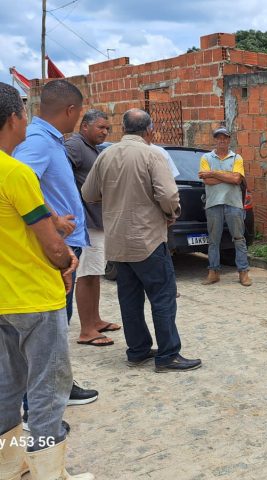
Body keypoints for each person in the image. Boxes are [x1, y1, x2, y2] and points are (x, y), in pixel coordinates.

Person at [0, 82, 93, 480]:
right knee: (48, 392)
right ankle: (48, 472)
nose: (27, 121)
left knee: (6, 388)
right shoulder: (16, 173)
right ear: (12, 119)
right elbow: (51, 244)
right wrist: (66, 260)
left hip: (4, 298)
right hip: (34, 295)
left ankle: (9, 465)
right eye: (24, 113)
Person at [82, 108, 201, 373]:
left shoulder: (106, 155)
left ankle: (137, 351)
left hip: (118, 241)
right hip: (147, 239)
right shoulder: (152, 154)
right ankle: (168, 355)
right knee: (163, 297)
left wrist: (114, 196)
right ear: (149, 131)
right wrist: (171, 214)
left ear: (123, 128)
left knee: (130, 299)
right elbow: (168, 195)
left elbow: (88, 193)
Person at [12, 80, 98, 414]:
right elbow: (20, 182)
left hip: (65, 243)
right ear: (71, 110)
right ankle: (38, 405)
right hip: (55, 245)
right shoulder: (38, 140)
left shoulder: (49, 139)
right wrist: (53, 219)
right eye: (79, 113)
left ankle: (60, 385)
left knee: (60, 324)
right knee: (49, 328)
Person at [66, 109, 121, 347]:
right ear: (85, 126)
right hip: (86, 223)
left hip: (97, 222)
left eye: (107, 128)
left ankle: (95, 320)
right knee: (86, 275)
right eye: (101, 127)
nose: (105, 132)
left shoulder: (92, 148)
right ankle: (86, 330)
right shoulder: (75, 146)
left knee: (95, 273)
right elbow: (61, 176)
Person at [198, 127, 251, 286]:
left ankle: (243, 272)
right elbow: (207, 181)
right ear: (215, 140)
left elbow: (236, 179)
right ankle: (213, 272)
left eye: (225, 138)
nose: (222, 140)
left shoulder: (237, 158)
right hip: (213, 203)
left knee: (239, 238)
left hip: (233, 203)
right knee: (213, 240)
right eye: (219, 138)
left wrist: (213, 173)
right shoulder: (206, 157)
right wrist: (227, 176)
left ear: (229, 140)